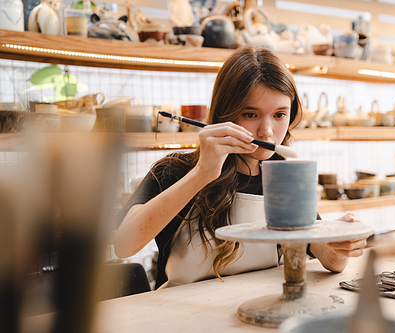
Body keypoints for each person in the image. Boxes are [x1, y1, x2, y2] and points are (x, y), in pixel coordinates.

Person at [114, 46, 368, 290]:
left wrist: (339, 243)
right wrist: (202, 173)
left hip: (258, 310)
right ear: (226, 113)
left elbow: (323, 254)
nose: (267, 132)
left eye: (279, 115)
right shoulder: (174, 171)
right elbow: (123, 245)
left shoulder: (280, 174)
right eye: (251, 114)